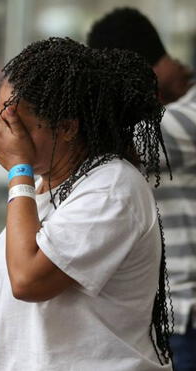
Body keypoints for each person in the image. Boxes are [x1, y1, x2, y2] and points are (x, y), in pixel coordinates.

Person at [0, 37, 173, 370]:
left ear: (68, 128)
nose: (5, 130)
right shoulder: (42, 190)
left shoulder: (113, 186)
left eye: (18, 122)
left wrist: (18, 169)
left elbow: (28, 279)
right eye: (1, 114)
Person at [87, 9, 196, 370]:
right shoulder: (158, 111)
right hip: (163, 318)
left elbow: (106, 142)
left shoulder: (186, 114)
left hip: (187, 317)